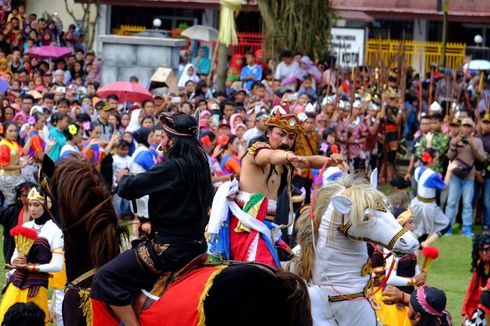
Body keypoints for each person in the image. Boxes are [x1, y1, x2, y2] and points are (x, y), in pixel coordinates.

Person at [91, 113, 213, 326]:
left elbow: (129, 189)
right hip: (196, 243)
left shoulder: (174, 167)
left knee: (105, 277)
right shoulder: (200, 164)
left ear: (173, 141)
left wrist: (123, 178)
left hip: (170, 248)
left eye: (164, 137)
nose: (161, 141)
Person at [208, 112, 344, 268]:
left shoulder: (286, 161)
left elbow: (310, 160)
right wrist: (288, 156)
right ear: (268, 133)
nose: (286, 141)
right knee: (266, 272)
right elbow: (271, 155)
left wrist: (331, 161)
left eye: (291, 137)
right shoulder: (257, 152)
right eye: (281, 134)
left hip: (266, 229)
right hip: (245, 230)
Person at [0, 187, 63, 324]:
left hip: (36, 285)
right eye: (30, 204)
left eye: (37, 205)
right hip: (16, 283)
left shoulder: (55, 230)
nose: (32, 209)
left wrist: (31, 267)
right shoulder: (26, 225)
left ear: (46, 206)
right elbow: (14, 256)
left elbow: (57, 266)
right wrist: (16, 260)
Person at [445, 117, 487, 237]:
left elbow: (483, 159)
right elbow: (449, 156)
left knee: (467, 204)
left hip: (469, 177)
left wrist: (473, 147)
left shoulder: (477, 141)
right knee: (451, 202)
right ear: (460, 127)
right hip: (455, 176)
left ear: (472, 128)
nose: (466, 128)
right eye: (464, 126)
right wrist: (453, 145)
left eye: (469, 126)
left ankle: (466, 228)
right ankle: (448, 228)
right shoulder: (454, 139)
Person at [410, 148, 455, 248]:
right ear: (431, 160)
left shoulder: (418, 169)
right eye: (437, 159)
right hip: (428, 206)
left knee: (417, 234)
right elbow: (444, 186)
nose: (438, 161)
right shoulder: (433, 175)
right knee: (446, 225)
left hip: (416, 203)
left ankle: (415, 261)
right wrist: (449, 170)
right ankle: (426, 243)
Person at [0, 182, 36, 264]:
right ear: (19, 197)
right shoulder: (12, 210)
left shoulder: (40, 212)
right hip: (14, 252)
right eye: (26, 195)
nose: (29, 197)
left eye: (32, 194)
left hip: (34, 252)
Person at [0, 122, 30, 206]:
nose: (14, 133)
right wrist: (21, 165)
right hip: (7, 178)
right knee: (13, 203)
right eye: (11, 131)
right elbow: (3, 165)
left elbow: (24, 152)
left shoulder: (13, 143)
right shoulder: (3, 145)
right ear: (5, 132)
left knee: (20, 201)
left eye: (15, 131)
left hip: (16, 176)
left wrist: (29, 136)